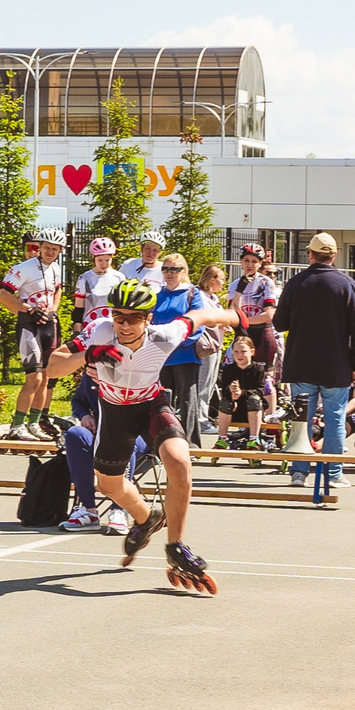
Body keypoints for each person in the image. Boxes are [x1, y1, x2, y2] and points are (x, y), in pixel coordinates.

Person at [45, 277, 240, 591]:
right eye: (118, 316)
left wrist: (236, 317)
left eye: (134, 318)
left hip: (151, 404)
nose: (124, 325)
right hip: (113, 411)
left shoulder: (164, 335)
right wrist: (90, 356)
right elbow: (53, 367)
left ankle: (176, 545)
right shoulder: (99, 331)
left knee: (179, 462)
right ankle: (145, 518)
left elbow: (199, 316)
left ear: (148, 319)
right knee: (108, 486)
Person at [276, 231, 355, 491]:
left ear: (311, 254)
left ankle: (299, 472)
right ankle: (334, 472)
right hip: (336, 365)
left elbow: (279, 322)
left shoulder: (296, 283)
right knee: (336, 418)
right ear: (334, 255)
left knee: (301, 420)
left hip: (301, 362)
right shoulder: (345, 284)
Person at [0, 225, 67, 440]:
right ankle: (17, 425)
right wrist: (27, 309)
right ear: (40, 247)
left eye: (55, 249)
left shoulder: (56, 268)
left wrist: (54, 308)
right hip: (29, 325)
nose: (50, 252)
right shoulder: (23, 267)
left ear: (60, 251)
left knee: (45, 377)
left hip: (49, 324)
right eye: (46, 248)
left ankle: (34, 423)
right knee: (33, 378)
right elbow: (0, 295)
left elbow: (59, 289)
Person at [55, 369, 140, 533]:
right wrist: (85, 415)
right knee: (75, 434)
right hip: (101, 433)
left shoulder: (137, 373)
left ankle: (119, 509)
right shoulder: (92, 375)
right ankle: (88, 510)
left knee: (123, 436)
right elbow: (78, 401)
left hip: (136, 431)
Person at [152, 253, 211, 425]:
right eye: (165, 269)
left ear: (183, 271)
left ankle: (190, 444)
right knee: (162, 400)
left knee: (187, 400)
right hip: (163, 355)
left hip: (185, 355)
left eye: (174, 269)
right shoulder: (158, 295)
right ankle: (163, 438)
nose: (169, 273)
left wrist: (181, 342)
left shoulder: (192, 293)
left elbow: (199, 321)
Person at [192, 263, 233, 445]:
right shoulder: (199, 295)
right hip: (206, 345)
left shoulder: (213, 297)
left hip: (215, 345)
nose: (223, 283)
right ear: (212, 279)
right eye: (221, 279)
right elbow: (204, 318)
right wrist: (220, 322)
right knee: (203, 384)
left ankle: (204, 416)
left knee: (209, 384)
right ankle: (200, 420)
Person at [227, 241, 281, 376]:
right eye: (246, 260)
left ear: (260, 263)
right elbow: (233, 313)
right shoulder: (234, 285)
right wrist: (240, 290)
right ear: (241, 262)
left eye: (254, 261)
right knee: (238, 379)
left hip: (262, 334)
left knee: (264, 380)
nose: (250, 265)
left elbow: (268, 315)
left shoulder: (265, 282)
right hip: (242, 335)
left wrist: (243, 321)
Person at [213, 332, 271, 454]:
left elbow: (260, 390)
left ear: (252, 352)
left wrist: (242, 393)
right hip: (235, 409)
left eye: (243, 351)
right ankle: (222, 438)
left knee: (254, 399)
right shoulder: (229, 369)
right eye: (236, 352)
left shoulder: (258, 369)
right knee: (225, 402)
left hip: (254, 409)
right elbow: (224, 390)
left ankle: (254, 438)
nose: (240, 355)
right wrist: (231, 391)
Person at [73, 235, 123, 326]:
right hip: (90, 326)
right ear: (93, 258)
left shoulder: (119, 278)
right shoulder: (84, 278)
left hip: (112, 326)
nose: (103, 264)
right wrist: (76, 331)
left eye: (107, 260)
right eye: (100, 260)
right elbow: (78, 309)